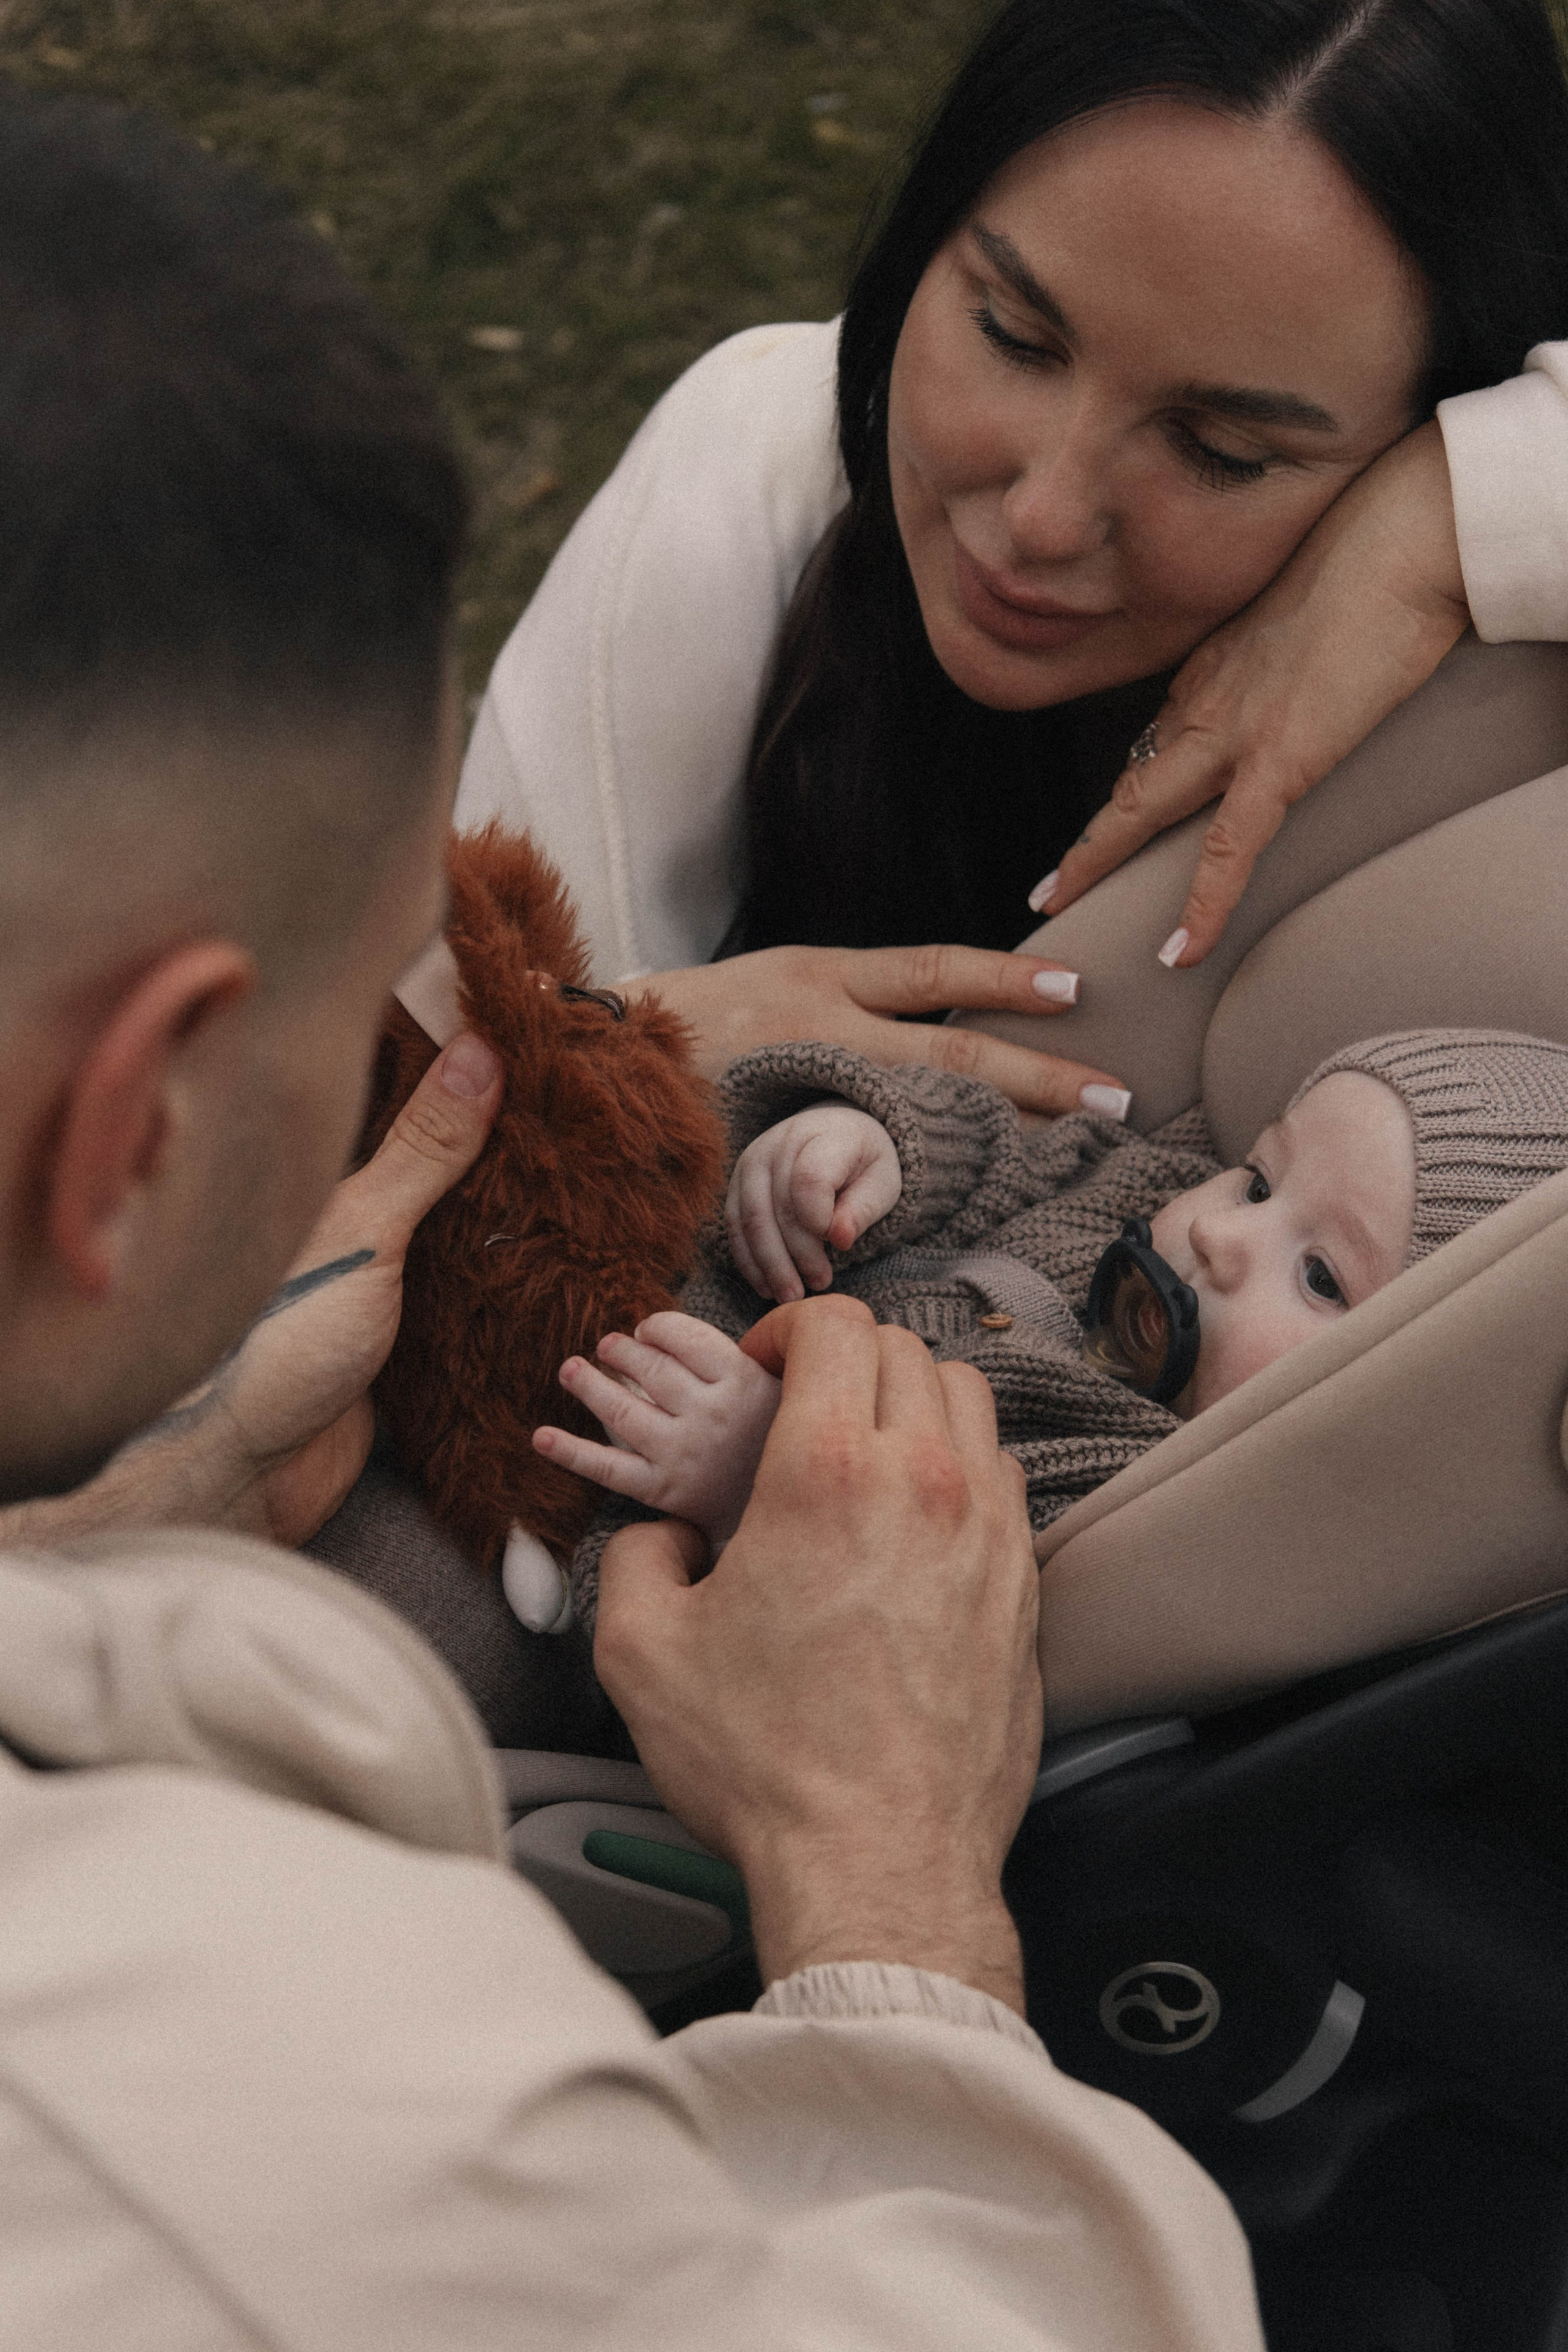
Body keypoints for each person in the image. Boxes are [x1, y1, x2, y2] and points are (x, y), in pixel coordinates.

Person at [0, 86, 1272, 2351]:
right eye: (385, 969)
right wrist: (884, 1895)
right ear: (135, 1125)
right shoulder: (262, 2120)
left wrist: (148, 1514)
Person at [455, 0, 1568, 1115]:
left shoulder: (1494, 661)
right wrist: (631, 1049)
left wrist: (1445, 519)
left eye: (1219, 449)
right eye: (1011, 335)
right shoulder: (758, 461)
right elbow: (443, 1066)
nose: (1044, 515)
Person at [543, 1030, 1568, 1619]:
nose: (1219, 1232)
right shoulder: (1147, 1190)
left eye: (1320, 1276)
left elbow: (902, 1606)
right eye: (1260, 1178)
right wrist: (878, 1151)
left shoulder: (1147, 1499)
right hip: (631, 1286)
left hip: (616, 1552)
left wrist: (761, 1474)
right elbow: (1010, 1155)